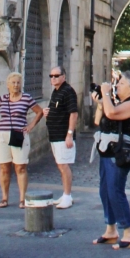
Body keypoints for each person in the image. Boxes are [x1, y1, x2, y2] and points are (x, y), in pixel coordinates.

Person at [91, 72, 130, 249]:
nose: (117, 85)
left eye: (122, 83)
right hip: (106, 152)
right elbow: (98, 120)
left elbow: (112, 113)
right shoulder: (118, 102)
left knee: (115, 190)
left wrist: (106, 94)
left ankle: (129, 233)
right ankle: (110, 230)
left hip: (119, 153)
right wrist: (100, 103)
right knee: (105, 191)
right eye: (118, 83)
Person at [0, 73, 43, 207]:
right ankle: (4, 197)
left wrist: (31, 126)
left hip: (19, 135)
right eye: (13, 83)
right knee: (4, 167)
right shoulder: (3, 99)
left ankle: (22, 199)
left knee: (20, 166)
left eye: (18, 82)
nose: (16, 85)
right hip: (3, 136)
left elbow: (39, 112)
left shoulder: (26, 98)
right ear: (8, 85)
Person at [43, 64, 79, 209]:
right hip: (54, 134)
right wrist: (48, 113)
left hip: (63, 135)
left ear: (63, 77)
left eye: (56, 76)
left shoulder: (68, 91)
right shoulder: (56, 92)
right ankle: (65, 194)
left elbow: (73, 113)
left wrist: (69, 134)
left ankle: (68, 196)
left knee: (64, 165)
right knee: (60, 164)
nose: (53, 78)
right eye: (51, 76)